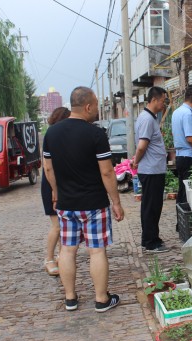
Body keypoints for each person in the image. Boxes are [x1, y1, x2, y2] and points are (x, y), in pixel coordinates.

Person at [43, 86, 125, 313]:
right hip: (94, 204)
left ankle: (70, 298)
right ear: (88, 106)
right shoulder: (96, 134)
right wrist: (116, 202)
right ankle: (101, 299)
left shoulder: (52, 133)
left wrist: (56, 192)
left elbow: (48, 168)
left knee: (67, 250)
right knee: (96, 251)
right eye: (96, 105)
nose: (97, 109)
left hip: (66, 204)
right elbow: (107, 172)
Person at [131, 86, 170, 253]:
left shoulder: (149, 117)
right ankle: (150, 241)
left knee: (153, 205)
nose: (164, 104)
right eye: (163, 100)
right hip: (151, 170)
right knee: (151, 206)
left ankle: (152, 237)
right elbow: (141, 146)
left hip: (154, 169)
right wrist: (135, 161)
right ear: (154, 100)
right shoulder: (147, 119)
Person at [41, 107, 70, 276]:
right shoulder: (52, 134)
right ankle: (49, 258)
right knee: (57, 226)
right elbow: (47, 166)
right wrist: (54, 190)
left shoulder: (62, 134)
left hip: (63, 182)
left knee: (64, 225)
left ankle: (61, 256)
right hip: (52, 184)